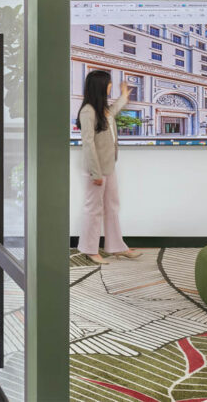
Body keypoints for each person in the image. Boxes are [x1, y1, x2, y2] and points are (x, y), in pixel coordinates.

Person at [77, 69, 143, 265]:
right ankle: (89, 249)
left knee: (112, 207)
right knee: (93, 209)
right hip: (95, 170)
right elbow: (88, 143)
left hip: (108, 167)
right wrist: (96, 173)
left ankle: (117, 247)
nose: (110, 86)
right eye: (108, 84)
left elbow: (112, 112)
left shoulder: (102, 110)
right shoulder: (88, 111)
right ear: (99, 86)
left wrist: (124, 96)